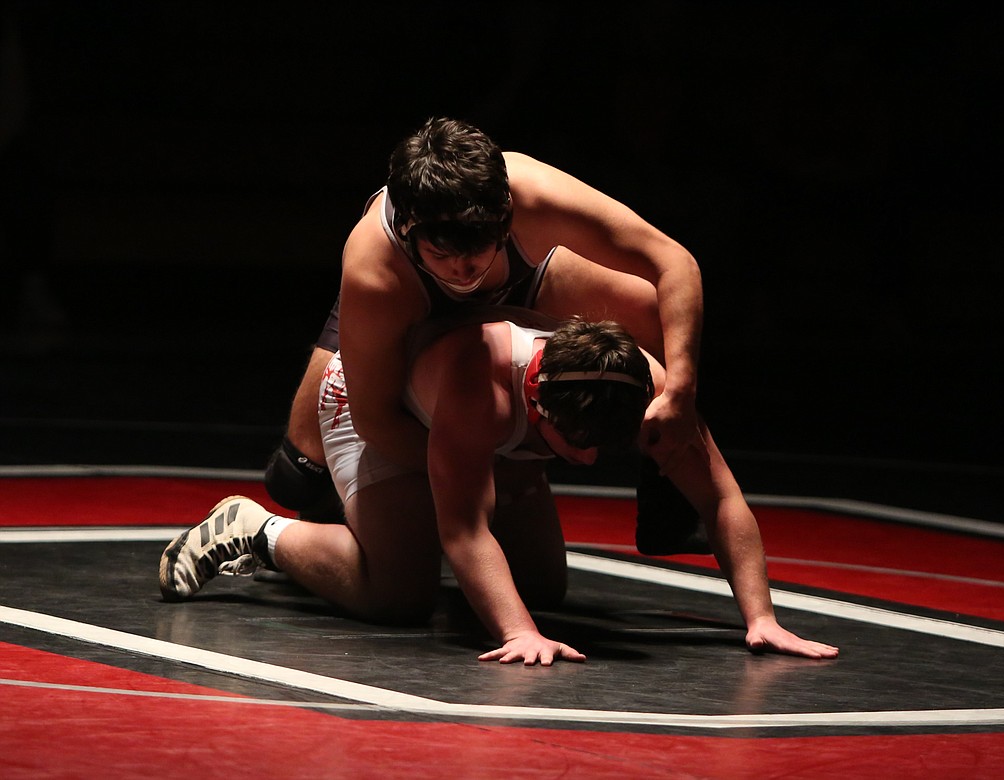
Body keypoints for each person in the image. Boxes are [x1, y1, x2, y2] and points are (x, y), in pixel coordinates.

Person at [160, 315, 840, 666]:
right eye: (582, 449)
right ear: (539, 411)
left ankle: (387, 526)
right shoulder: (477, 388)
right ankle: (254, 527)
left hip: (495, 439)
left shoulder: (649, 388)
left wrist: (761, 617)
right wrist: (519, 635)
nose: (597, 458)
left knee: (544, 587)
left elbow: (721, 498)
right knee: (400, 593)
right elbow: (464, 530)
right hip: (375, 409)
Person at [264, 117, 707, 554]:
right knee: (295, 479)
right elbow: (376, 422)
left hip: (517, 281)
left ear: (506, 215)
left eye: (477, 249)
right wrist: (484, 469)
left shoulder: (535, 195)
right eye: (444, 253)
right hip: (407, 301)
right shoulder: (376, 273)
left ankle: (667, 507)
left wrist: (681, 394)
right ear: (408, 231)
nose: (464, 269)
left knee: (657, 313)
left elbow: (674, 262)